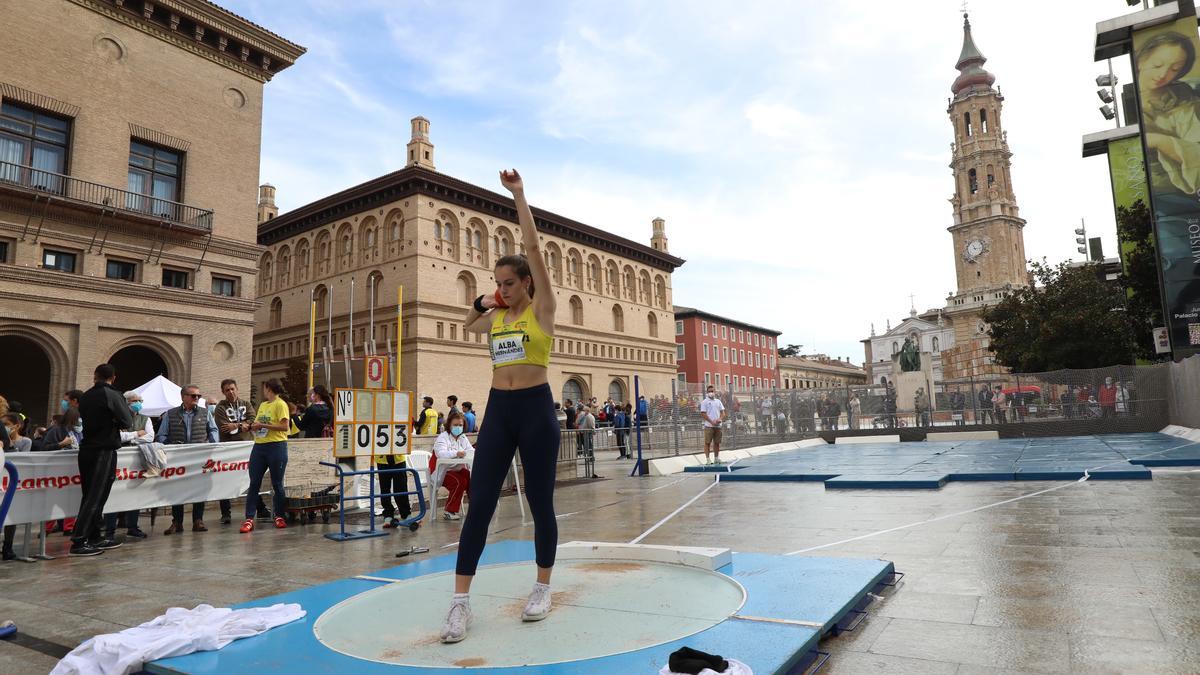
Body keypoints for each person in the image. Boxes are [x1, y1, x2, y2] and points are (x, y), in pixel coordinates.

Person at [443, 169, 560, 644]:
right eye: (500, 284)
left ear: (527, 282)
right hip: (498, 410)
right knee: (480, 503)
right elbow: (467, 321)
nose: (504, 289)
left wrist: (519, 196)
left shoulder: (542, 308)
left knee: (539, 501)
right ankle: (460, 603)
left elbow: (533, 249)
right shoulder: (495, 317)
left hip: (535, 409)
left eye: (509, 283)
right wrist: (485, 298)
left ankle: (542, 588)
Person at [69, 364, 133, 557]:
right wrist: (114, 420)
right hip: (103, 450)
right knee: (96, 495)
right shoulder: (113, 394)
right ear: (113, 377)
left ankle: (95, 536)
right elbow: (127, 421)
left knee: (89, 493)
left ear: (95, 376)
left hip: (87, 448)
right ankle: (79, 541)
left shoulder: (86, 396)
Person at [156, 384, 220, 534]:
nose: (197, 398)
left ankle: (198, 520)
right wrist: (168, 446)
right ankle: (177, 522)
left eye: (198, 395)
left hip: (200, 458)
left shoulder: (205, 413)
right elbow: (161, 435)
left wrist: (213, 446)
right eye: (193, 396)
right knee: (177, 489)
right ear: (183, 397)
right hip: (178, 459)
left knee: (200, 488)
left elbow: (213, 430)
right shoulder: (170, 414)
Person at [239, 379, 290, 533]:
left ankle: (279, 516)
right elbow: (258, 422)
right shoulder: (263, 405)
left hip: (276, 446)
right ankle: (249, 519)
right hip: (259, 447)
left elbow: (284, 426)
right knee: (254, 483)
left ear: (269, 388)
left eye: (264, 388)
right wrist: (250, 426)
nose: (263, 391)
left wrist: (262, 425)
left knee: (277, 483)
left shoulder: (280, 404)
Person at [102, 391, 153, 540]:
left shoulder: (145, 418)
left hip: (136, 459)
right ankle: (109, 530)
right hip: (118, 459)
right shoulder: (116, 417)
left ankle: (133, 526)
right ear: (126, 403)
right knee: (114, 493)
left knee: (135, 493)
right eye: (134, 401)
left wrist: (130, 438)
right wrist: (137, 434)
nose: (138, 403)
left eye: (140, 400)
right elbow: (117, 436)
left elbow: (150, 437)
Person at [213, 379, 254, 524]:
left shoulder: (246, 404)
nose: (230, 392)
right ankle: (226, 513)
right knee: (225, 480)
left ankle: (259, 508)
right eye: (227, 390)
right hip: (228, 448)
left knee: (251, 478)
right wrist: (243, 425)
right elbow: (224, 427)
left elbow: (253, 420)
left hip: (247, 446)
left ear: (237, 389)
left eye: (232, 389)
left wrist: (237, 425)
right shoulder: (220, 407)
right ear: (223, 392)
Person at [431, 410, 473, 521]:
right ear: (449, 425)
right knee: (460, 481)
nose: (458, 427)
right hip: (441, 471)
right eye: (455, 425)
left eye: (460, 425)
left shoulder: (463, 437)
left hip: (456, 469)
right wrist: (456, 453)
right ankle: (449, 511)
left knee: (470, 477)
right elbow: (441, 454)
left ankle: (475, 505)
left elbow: (470, 450)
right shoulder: (443, 437)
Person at [2, 413, 31, 560]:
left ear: (16, 426)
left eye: (6, 424)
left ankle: (8, 546)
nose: (4, 427)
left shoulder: (25, 441)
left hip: (13, 483)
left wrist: (9, 443)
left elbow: (23, 459)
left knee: (11, 514)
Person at [700, 385, 726, 465]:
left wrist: (720, 419)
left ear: (715, 392)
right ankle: (708, 459)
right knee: (707, 442)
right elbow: (703, 414)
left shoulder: (718, 401)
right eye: (709, 391)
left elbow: (723, 413)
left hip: (718, 426)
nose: (711, 393)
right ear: (707, 392)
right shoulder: (704, 402)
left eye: (712, 391)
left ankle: (716, 458)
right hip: (709, 426)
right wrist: (711, 422)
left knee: (717, 443)